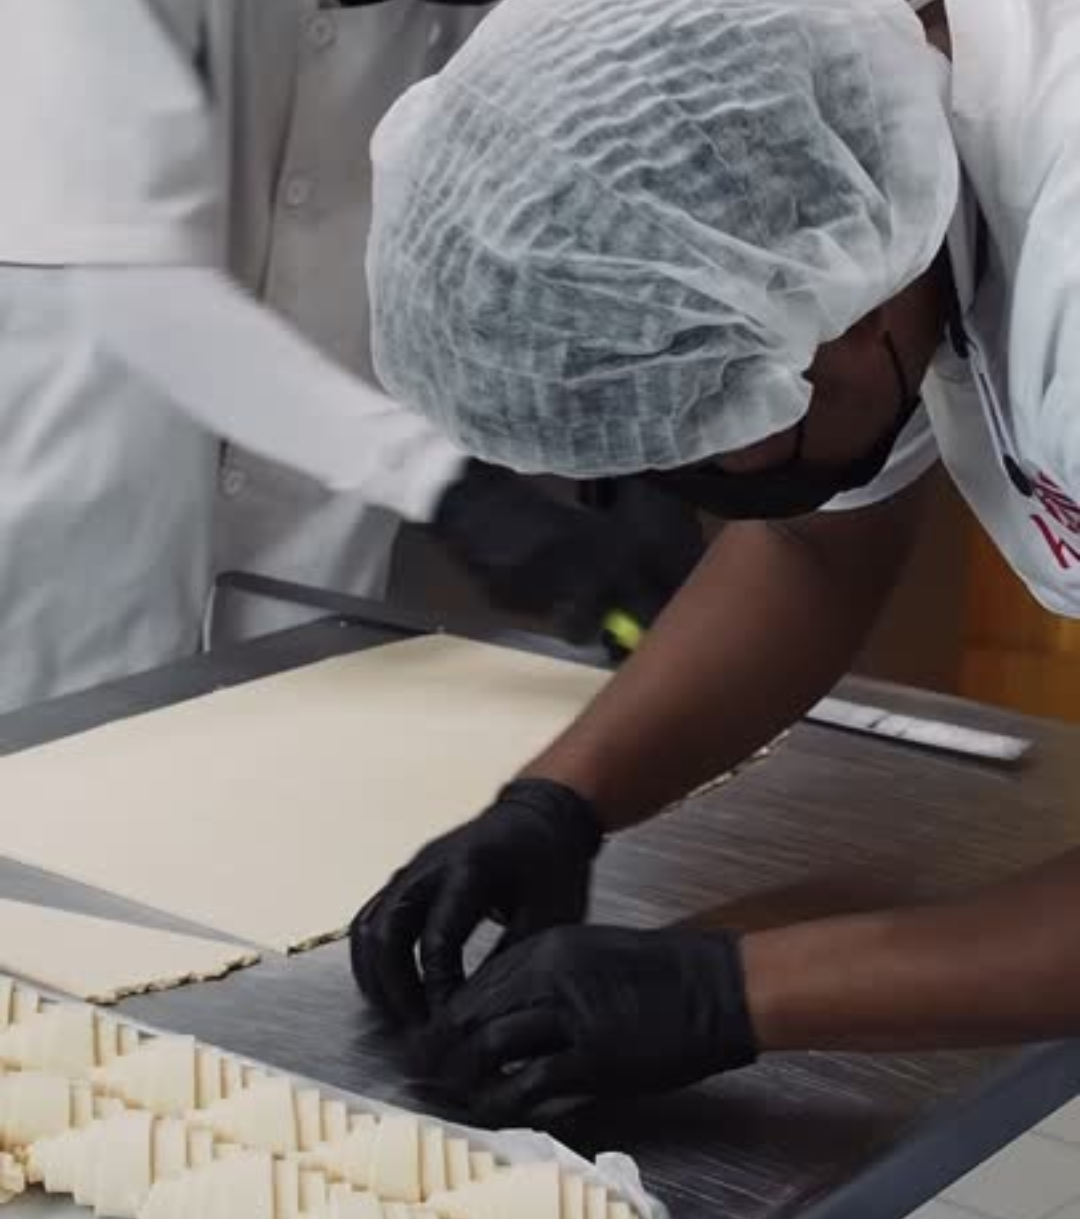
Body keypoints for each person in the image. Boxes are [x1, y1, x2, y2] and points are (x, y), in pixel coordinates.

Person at [349, 0, 1080, 1120]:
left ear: (841, 318)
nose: (722, 482)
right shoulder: (867, 168)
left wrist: (734, 993)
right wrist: (561, 798)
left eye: (726, 428)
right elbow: (814, 543)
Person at [0, 0, 698, 715]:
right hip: (72, 546)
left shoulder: (482, 20)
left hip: (316, 578)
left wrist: (641, 463)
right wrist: (446, 486)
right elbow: (135, 288)